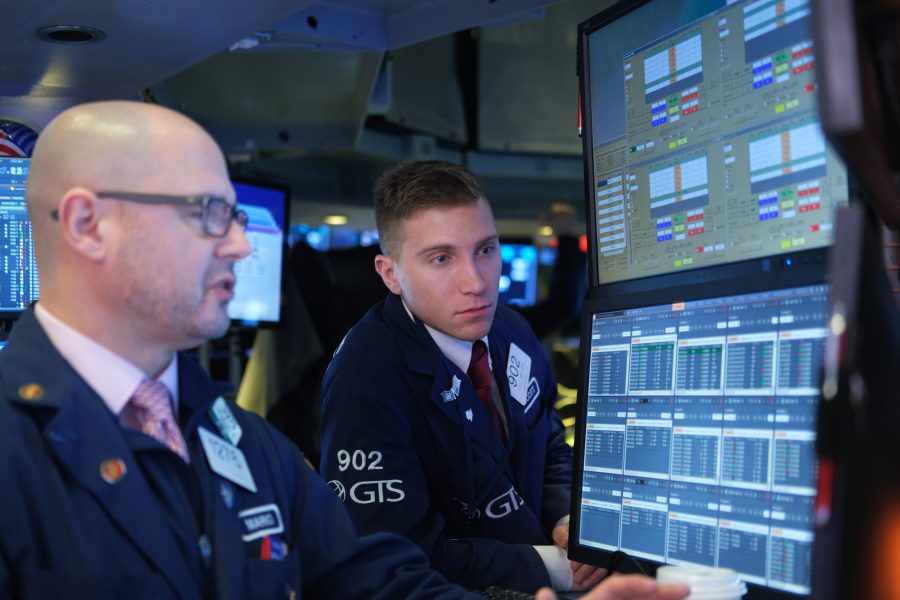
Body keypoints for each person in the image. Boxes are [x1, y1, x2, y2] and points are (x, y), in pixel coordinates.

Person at [0, 101, 688, 600]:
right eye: (207, 213)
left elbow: (381, 579)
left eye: (235, 216)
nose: (240, 244)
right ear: (89, 225)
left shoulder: (237, 437)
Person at [319, 161, 595, 593]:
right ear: (390, 274)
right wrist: (557, 568)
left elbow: (550, 446)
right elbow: (394, 555)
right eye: (442, 258)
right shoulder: (366, 377)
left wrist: (566, 519)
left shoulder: (511, 331)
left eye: (485, 250)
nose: (477, 283)